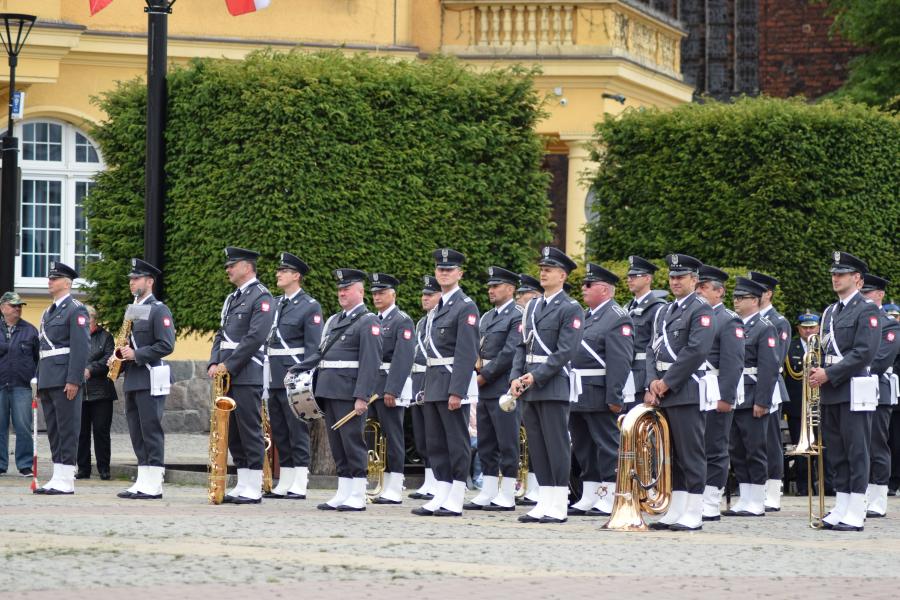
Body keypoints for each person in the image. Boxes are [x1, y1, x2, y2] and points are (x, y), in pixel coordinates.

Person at [509, 246, 582, 524]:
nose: (543, 272)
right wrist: (516, 376)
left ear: (562, 275)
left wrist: (536, 376)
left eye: (548, 269)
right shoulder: (532, 307)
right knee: (537, 444)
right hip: (529, 383)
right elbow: (521, 346)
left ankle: (559, 501)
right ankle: (545, 499)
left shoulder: (571, 308)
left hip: (552, 383)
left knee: (556, 443)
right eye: (541, 268)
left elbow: (565, 351)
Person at [809, 251, 881, 531]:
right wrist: (818, 372)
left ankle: (856, 508)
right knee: (836, 450)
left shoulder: (867, 310)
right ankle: (841, 504)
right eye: (834, 274)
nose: (835, 278)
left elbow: (865, 353)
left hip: (853, 387)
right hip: (831, 388)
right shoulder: (829, 312)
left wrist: (830, 373)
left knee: (856, 449)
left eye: (842, 274)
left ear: (858, 280)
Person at [644, 254, 715, 531]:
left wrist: (667, 381)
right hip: (663, 390)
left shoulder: (701, 309)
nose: (675, 282)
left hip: (685, 389)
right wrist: (651, 381)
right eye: (672, 277)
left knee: (691, 452)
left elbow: (696, 350)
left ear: (694, 280)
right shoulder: (664, 311)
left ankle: (695, 510)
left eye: (681, 277)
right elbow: (651, 349)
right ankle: (676, 508)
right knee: (669, 454)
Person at [412, 248, 479, 517]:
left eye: (449, 270)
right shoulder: (436, 309)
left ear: (460, 274)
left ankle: (457, 493)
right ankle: (442, 490)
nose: (443, 273)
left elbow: (466, 352)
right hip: (433, 383)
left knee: (456, 440)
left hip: (452, 382)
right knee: (435, 441)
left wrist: (457, 391)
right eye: (440, 269)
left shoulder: (466, 306)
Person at [208, 247, 274, 505]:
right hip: (227, 374)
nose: (228, 269)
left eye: (232, 265)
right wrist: (214, 361)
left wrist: (229, 365)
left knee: (249, 428)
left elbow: (255, 338)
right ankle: (243, 481)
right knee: (233, 431)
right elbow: (220, 334)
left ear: (247, 267)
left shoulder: (262, 297)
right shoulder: (232, 298)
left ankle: (254, 484)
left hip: (246, 372)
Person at [567, 263, 633, 517]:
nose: (583, 289)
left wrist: (614, 397)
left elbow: (620, 361)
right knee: (584, 446)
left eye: (588, 285)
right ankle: (590, 492)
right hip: (579, 391)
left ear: (604, 289)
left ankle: (610, 493)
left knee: (607, 445)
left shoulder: (617, 317)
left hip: (600, 391)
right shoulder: (587, 315)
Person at [314, 268, 381, 511]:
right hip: (329, 390)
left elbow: (370, 362)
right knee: (337, 444)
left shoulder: (368, 321)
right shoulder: (334, 320)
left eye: (347, 289)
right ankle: (343, 491)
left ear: (360, 292)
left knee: (353, 442)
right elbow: (321, 353)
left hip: (349, 392)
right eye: (340, 289)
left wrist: (362, 396)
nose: (341, 293)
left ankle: (358, 492)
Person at [112, 259, 176, 500]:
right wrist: (117, 356)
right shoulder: (133, 309)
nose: (132, 282)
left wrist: (136, 354)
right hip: (133, 377)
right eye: (131, 279)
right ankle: (142, 479)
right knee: (136, 431)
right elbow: (125, 342)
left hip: (150, 375)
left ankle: (155, 482)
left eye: (136, 278)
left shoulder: (159, 309)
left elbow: (166, 344)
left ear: (149, 282)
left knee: (150, 429)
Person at [265, 252, 322, 500]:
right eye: (279, 270)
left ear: (296, 276)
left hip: (293, 377)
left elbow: (313, 348)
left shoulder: (310, 306)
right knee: (279, 430)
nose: (278, 274)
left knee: (297, 429)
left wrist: (301, 375)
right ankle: (285, 480)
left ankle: (300, 480)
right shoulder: (276, 304)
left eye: (284, 271)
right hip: (272, 374)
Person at [465, 266, 522, 511]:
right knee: (486, 441)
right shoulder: (487, 317)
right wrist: (476, 373)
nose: (491, 290)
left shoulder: (517, 315)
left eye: (496, 286)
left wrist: (484, 376)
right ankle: (488, 490)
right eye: (490, 286)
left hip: (502, 385)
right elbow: (478, 349)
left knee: (507, 440)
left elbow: (510, 352)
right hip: (484, 384)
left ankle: (507, 492)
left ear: (510, 289)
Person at [722, 277, 779, 518]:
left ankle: (757, 498)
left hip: (753, 393)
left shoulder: (765, 327)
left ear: (755, 300)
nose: (736, 301)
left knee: (755, 448)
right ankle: (745, 497)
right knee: (737, 448)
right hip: (736, 393)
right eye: (735, 297)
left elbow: (769, 368)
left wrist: (763, 401)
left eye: (741, 297)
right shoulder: (734, 324)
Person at [33, 262, 90, 495]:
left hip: (65, 377)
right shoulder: (48, 312)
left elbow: (80, 347)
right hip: (48, 376)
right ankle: (57, 475)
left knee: (68, 428)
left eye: (54, 278)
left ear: (66, 283)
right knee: (54, 430)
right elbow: (42, 349)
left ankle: (67, 478)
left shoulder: (76, 309)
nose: (50, 282)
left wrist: (74, 379)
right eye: (49, 278)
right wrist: (38, 379)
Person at [694, 266, 745, 521]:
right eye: (698, 286)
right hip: (694, 389)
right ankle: (694, 495)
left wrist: (726, 397)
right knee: (695, 446)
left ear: (719, 291)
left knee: (715, 445)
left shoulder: (728, 319)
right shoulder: (694, 315)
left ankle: (711, 498)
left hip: (715, 389)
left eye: (704, 287)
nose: (699, 291)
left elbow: (733, 361)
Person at [368, 272, 415, 504]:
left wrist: (393, 389)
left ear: (393, 295)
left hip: (389, 386)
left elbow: (403, 358)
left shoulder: (401, 320)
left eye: (381, 292)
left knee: (392, 436)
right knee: (376, 437)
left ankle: (395, 485)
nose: (377, 297)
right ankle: (382, 482)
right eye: (374, 293)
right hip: (373, 386)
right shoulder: (373, 320)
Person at [748, 271, 791, 512]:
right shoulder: (746, 319)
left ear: (768, 294)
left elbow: (776, 359)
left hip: (770, 386)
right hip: (750, 385)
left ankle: (773, 490)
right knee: (752, 442)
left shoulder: (778, 321)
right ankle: (756, 488)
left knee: (771, 441)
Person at [860, 274, 900, 517]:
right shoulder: (857, 319)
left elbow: (881, 358)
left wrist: (845, 368)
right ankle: (859, 494)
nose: (864, 296)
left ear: (880, 295)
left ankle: (878, 497)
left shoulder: (890, 324)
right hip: (855, 388)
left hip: (877, 389)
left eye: (868, 292)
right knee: (857, 445)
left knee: (876, 444)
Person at [783, 310, 827, 496]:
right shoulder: (790, 348)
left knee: (825, 447)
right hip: (797, 407)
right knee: (800, 449)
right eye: (805, 328)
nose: (809, 331)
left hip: (821, 404)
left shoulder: (825, 348)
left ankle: (827, 485)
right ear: (798, 329)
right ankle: (803, 487)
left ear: (819, 328)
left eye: (812, 327)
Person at [408, 276, 442, 500]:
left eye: (430, 295)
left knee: (434, 433)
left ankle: (438, 481)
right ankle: (428, 480)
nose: (425, 298)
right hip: (418, 379)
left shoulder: (441, 319)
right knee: (421, 436)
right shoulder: (421, 322)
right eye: (423, 295)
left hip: (433, 379)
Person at [0, 291, 39, 477]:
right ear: (2, 308)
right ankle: (0, 464)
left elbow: (38, 359)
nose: (17, 309)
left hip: (22, 386)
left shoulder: (31, 331)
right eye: (13, 305)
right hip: (0, 385)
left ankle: (24, 464)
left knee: (23, 426)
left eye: (19, 306)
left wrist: (37, 384)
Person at [76, 305, 116, 481]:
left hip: (101, 392)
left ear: (94, 320)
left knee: (101, 431)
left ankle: (104, 468)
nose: (84, 323)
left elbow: (109, 360)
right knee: (81, 432)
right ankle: (83, 469)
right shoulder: (75, 337)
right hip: (79, 392)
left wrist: (90, 369)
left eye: (87, 320)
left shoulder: (106, 337)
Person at [514, 273, 542, 506]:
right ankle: (532, 486)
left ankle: (544, 489)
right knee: (531, 440)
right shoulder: (528, 316)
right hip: (523, 382)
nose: (520, 298)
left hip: (541, 380)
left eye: (524, 294)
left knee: (547, 440)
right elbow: (520, 350)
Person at [625, 256, 666, 412]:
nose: (630, 279)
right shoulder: (628, 307)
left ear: (648, 278)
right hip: (628, 377)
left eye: (635, 276)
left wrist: (650, 386)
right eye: (629, 276)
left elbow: (656, 350)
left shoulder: (657, 308)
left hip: (643, 378)